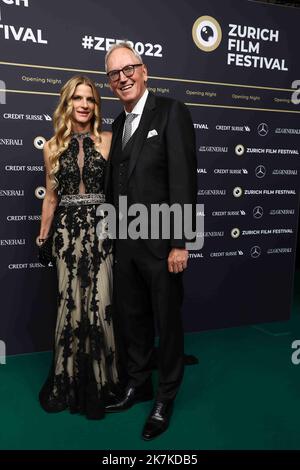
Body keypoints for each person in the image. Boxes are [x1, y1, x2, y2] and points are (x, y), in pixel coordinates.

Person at [104, 43, 197, 439]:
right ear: (110, 84)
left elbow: (184, 179)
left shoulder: (171, 112)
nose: (122, 77)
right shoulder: (118, 122)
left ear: (144, 71)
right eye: (114, 74)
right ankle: (138, 383)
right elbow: (114, 186)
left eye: (129, 69)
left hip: (163, 243)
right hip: (126, 242)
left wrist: (181, 241)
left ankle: (165, 395)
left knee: (168, 321)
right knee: (133, 319)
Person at [38, 75, 119, 419]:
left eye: (90, 99)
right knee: (69, 305)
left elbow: (119, 189)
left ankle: (103, 382)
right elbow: (51, 198)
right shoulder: (52, 146)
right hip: (66, 234)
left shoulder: (109, 141)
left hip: (101, 230)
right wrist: (43, 235)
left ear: (96, 105)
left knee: (101, 302)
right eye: (77, 99)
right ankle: (67, 379)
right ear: (67, 103)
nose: (84, 105)